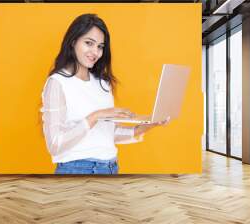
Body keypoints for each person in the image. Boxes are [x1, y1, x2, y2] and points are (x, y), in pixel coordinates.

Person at [40, 13, 169, 175]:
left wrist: (147, 126)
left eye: (100, 46)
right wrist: (96, 116)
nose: (95, 52)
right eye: (89, 43)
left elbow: (107, 134)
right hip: (76, 169)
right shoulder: (58, 83)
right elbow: (55, 145)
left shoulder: (103, 83)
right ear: (73, 42)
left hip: (110, 167)